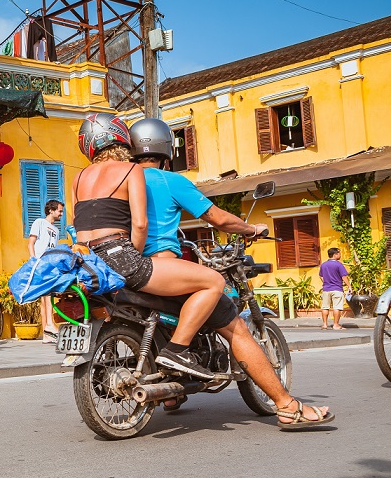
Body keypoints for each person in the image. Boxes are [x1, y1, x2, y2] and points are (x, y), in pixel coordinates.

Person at [129, 117, 333, 428]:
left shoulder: (122, 180)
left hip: (130, 268)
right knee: (235, 327)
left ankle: (171, 393)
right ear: (166, 150)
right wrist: (251, 228)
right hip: (163, 265)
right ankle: (287, 405)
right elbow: (218, 219)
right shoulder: (170, 181)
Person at [74, 113, 224, 381]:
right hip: (118, 255)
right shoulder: (130, 170)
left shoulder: (79, 177)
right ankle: (177, 350)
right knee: (212, 281)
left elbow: (78, 223)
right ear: (123, 138)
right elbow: (141, 224)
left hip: (85, 259)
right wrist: (134, 253)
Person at [28, 199, 64, 343]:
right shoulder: (39, 222)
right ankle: (50, 324)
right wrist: (33, 261)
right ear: (51, 210)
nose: (61, 213)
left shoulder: (56, 230)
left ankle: (46, 334)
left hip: (51, 263)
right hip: (40, 262)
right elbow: (31, 243)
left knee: (46, 298)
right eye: (59, 211)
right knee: (47, 295)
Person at [318, 247, 349, 330]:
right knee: (337, 307)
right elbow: (344, 276)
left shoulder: (323, 265)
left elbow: (321, 276)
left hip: (326, 289)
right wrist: (349, 286)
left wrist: (326, 282)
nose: (340, 255)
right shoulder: (338, 264)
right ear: (335, 254)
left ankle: (325, 324)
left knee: (325, 307)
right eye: (339, 253)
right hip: (337, 288)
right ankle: (336, 325)